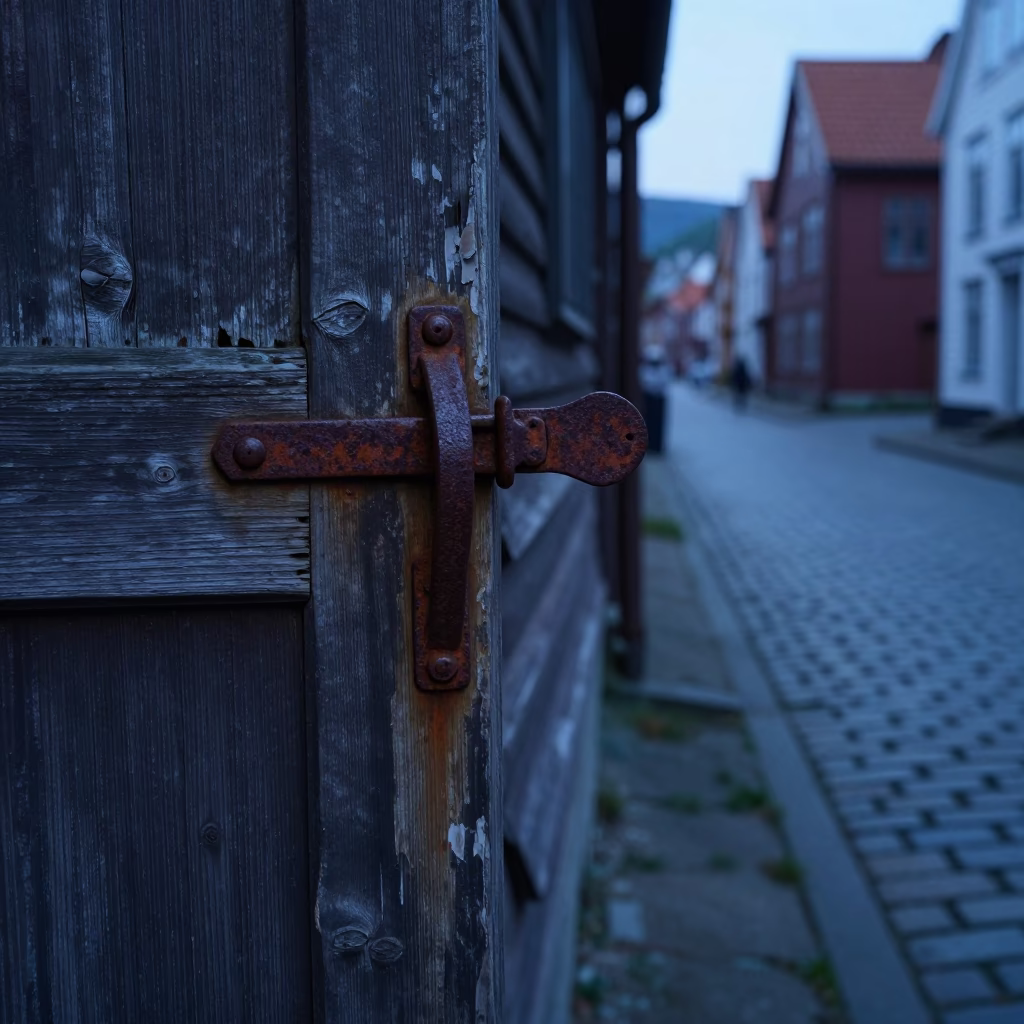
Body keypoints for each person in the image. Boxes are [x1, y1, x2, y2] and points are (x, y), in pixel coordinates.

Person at [639, 348, 672, 452]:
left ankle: (657, 446)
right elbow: (644, 382)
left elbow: (664, 383)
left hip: (659, 401)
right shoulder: (645, 369)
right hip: (649, 400)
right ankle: (649, 445)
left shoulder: (664, 370)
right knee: (648, 424)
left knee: (658, 425)